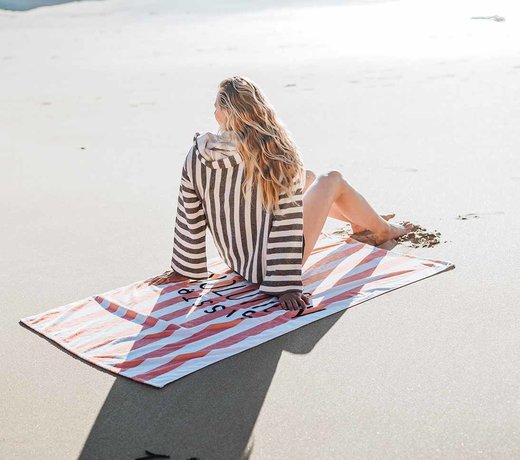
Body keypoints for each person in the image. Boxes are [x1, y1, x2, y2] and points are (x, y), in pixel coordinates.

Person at [157, 75, 413, 311]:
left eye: (216, 107)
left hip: (239, 261)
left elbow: (188, 212)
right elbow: (287, 222)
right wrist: (284, 286)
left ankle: (361, 222)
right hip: (272, 269)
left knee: (308, 178)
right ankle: (382, 230)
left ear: (227, 113)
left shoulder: (199, 153)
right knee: (331, 180)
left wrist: (183, 268)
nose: (213, 112)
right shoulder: (276, 154)